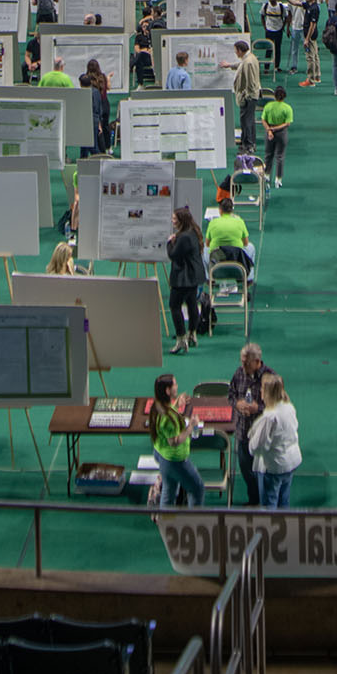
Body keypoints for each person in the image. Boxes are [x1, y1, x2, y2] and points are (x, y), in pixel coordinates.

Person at [226, 342, 276, 504]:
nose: (242, 366)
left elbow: (277, 404)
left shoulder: (270, 378)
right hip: (242, 432)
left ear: (256, 362)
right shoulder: (239, 373)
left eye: (246, 363)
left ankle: (265, 503)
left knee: (264, 473)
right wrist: (238, 404)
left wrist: (258, 408)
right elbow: (231, 395)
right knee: (247, 471)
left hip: (263, 436)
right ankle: (254, 501)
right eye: (241, 362)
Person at [147, 373, 203, 509]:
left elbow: (168, 418)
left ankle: (166, 525)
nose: (177, 387)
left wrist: (177, 404)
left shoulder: (157, 406)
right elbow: (175, 441)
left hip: (161, 455)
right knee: (197, 488)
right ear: (167, 390)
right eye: (175, 384)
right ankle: (195, 524)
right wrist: (191, 426)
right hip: (174, 461)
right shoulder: (168, 418)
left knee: (169, 489)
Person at [247, 372, 300, 509]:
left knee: (268, 510)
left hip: (273, 468)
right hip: (290, 464)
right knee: (284, 503)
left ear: (267, 392)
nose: (260, 391)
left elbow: (256, 447)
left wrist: (252, 437)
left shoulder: (270, 418)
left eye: (262, 389)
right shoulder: (289, 408)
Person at [166, 208, 206, 355]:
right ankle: (192, 333)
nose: (173, 221)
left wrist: (170, 242)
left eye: (175, 219)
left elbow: (173, 255)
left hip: (183, 278)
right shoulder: (194, 232)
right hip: (193, 276)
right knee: (191, 303)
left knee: (174, 306)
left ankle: (181, 338)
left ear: (181, 220)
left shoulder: (182, 237)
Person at [260, 84, 294, 188]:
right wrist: (276, 129)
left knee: (268, 155)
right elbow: (287, 123)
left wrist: (269, 130)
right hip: (281, 133)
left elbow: (263, 120)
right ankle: (278, 179)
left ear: (274, 95)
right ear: (284, 96)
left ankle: (266, 175)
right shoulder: (287, 108)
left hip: (269, 131)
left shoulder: (268, 106)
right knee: (280, 156)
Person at [231, 42, 262, 151]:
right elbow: (240, 65)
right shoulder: (250, 58)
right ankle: (247, 142)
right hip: (251, 95)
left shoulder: (248, 62)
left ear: (240, 50)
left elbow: (250, 82)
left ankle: (249, 145)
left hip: (249, 97)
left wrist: (246, 96)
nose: (235, 53)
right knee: (248, 120)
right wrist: (230, 65)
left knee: (247, 121)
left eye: (235, 50)